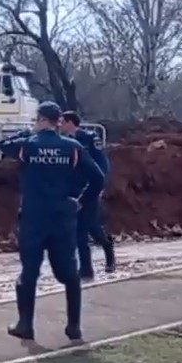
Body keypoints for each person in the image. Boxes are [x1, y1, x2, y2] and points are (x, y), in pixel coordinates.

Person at [0, 101, 105, 342]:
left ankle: (25, 325)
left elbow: (3, 145)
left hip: (34, 216)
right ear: (58, 121)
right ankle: (74, 327)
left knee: (29, 272)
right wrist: (80, 201)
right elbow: (97, 178)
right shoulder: (72, 147)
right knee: (69, 273)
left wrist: (27, 132)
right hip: (62, 216)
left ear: (41, 120)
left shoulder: (28, 144)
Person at [61, 110, 116, 277]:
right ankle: (86, 269)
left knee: (91, 227)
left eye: (62, 122)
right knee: (80, 230)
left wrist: (99, 186)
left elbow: (102, 163)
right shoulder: (64, 141)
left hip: (90, 188)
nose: (60, 125)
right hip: (73, 189)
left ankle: (107, 249)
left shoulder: (90, 138)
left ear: (70, 122)